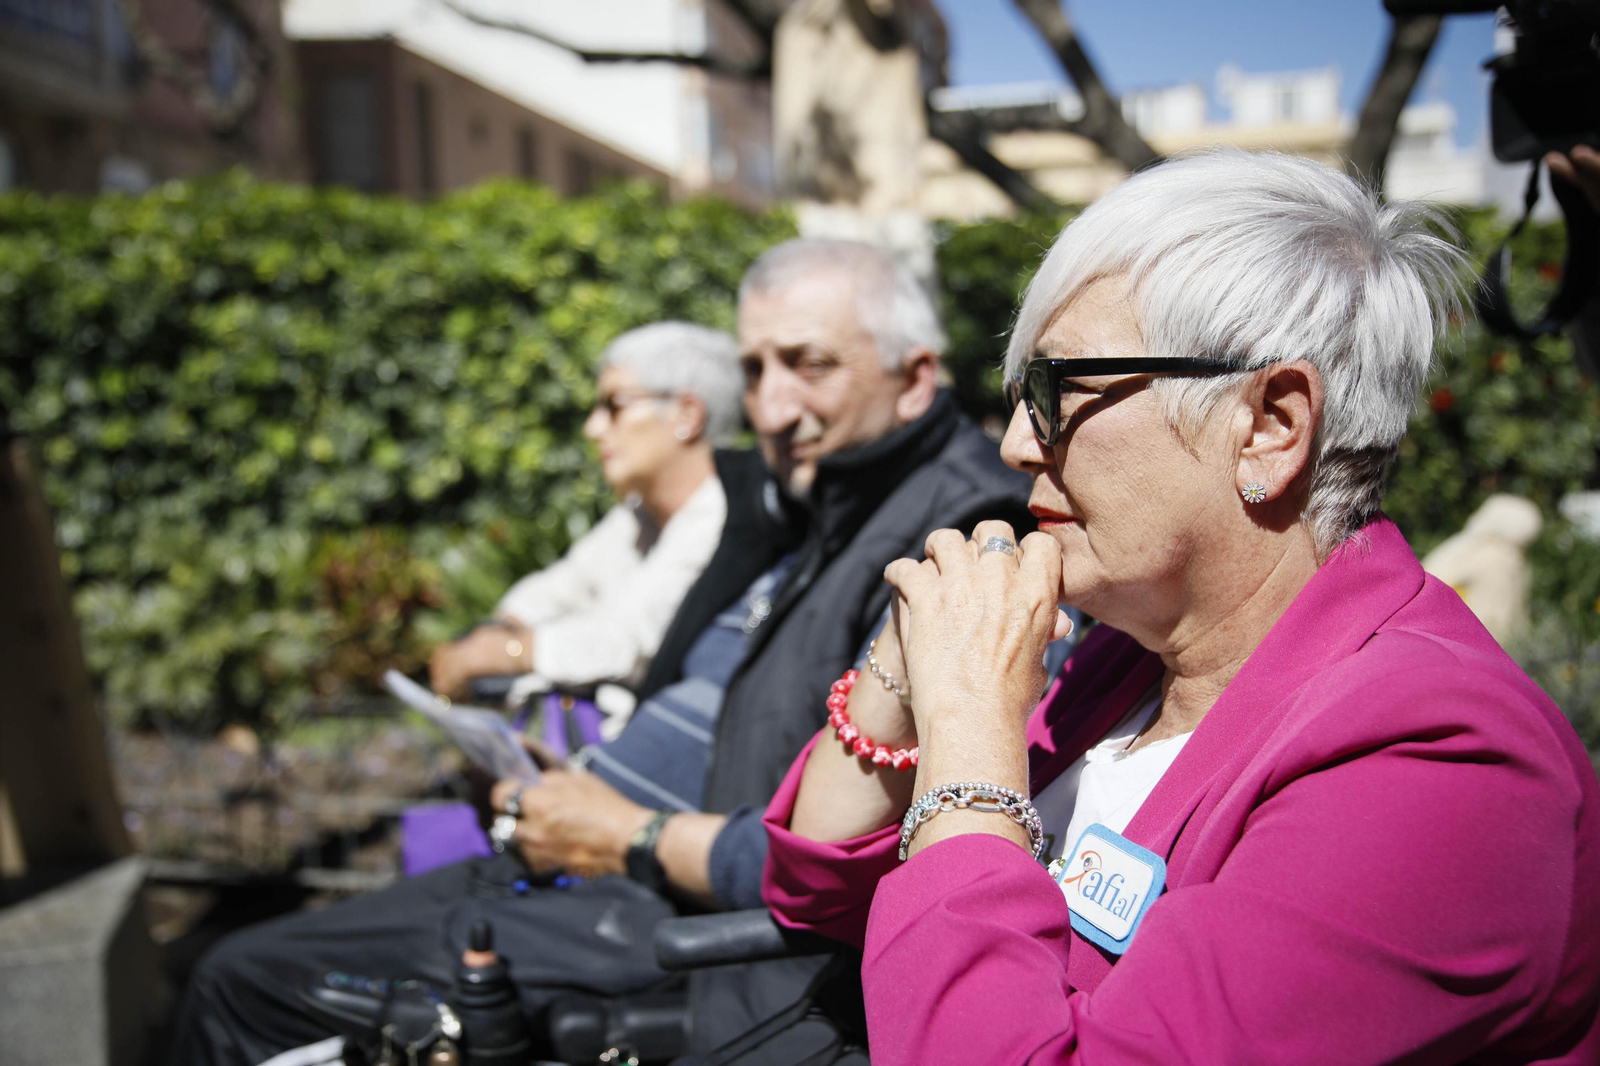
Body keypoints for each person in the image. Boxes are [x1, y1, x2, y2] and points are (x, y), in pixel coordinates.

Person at [761, 152, 1600, 1065]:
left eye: (1060, 390)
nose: (1012, 445)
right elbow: (824, 880)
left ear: (1271, 425)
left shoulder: (1442, 762)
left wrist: (968, 733)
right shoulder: (1131, 658)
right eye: (1016, 395)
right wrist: (916, 644)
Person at [171, 239, 1032, 1066]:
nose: (770, 408)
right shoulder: (821, 503)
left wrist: (625, 833)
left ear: (916, 378)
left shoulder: (957, 539)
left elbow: (872, 855)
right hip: (605, 864)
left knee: (240, 981)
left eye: (809, 365)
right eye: (753, 370)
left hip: (704, 943)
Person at [427, 320, 742, 709]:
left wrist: (503, 653)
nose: (593, 427)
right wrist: (493, 635)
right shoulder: (641, 514)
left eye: (615, 405)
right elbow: (560, 587)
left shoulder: (727, 522)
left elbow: (625, 644)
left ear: (686, 415)